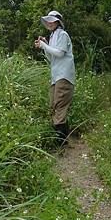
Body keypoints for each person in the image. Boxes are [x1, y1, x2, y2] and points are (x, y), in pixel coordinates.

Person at [35, 10, 75, 147]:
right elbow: (51, 57)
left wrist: (45, 45)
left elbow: (59, 53)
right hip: (56, 77)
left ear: (58, 22)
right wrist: (45, 46)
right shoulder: (52, 36)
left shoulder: (62, 34)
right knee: (54, 105)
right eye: (47, 21)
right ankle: (63, 140)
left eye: (52, 20)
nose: (49, 23)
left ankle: (62, 143)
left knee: (59, 105)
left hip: (64, 76)